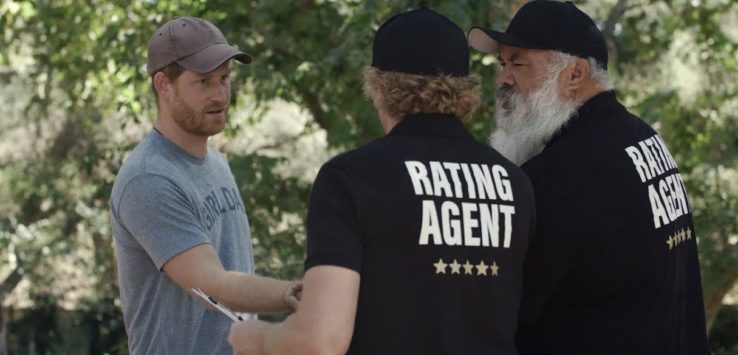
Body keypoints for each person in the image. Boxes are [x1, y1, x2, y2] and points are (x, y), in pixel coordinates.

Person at [227, 8, 536, 355]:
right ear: (466, 89)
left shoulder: (351, 179)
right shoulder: (514, 183)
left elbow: (319, 340)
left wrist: (254, 338)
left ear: (377, 86)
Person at [468, 1, 710, 354]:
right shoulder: (642, 137)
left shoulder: (560, 175)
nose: (504, 78)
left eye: (518, 62)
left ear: (575, 75)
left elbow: (507, 318)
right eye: (502, 63)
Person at [110, 17, 299, 355]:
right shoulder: (149, 178)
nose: (220, 95)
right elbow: (212, 287)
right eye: (203, 82)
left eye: (224, 79)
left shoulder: (217, 164)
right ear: (163, 85)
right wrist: (294, 294)